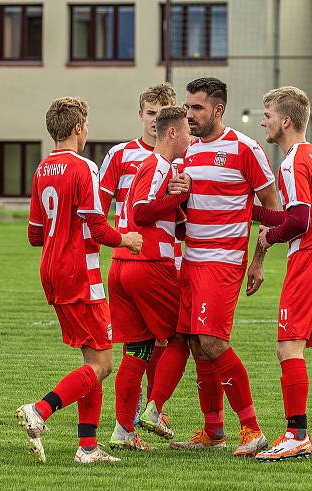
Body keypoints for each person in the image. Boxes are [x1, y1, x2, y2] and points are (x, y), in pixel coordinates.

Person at [16, 97, 143, 464]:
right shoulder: (84, 167)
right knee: (103, 365)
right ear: (77, 128)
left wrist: (65, 232)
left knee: (92, 360)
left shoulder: (42, 169)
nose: (87, 131)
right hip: (80, 274)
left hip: (52, 272)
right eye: (85, 126)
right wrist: (127, 238)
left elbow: (35, 235)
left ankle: (87, 447)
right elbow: (99, 226)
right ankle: (40, 409)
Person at [168, 77, 278, 456]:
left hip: (224, 260)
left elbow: (273, 209)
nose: (189, 114)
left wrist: (258, 260)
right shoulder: (187, 152)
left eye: (197, 107)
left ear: (218, 109)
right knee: (198, 344)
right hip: (191, 258)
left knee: (214, 342)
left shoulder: (245, 149)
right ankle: (213, 428)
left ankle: (252, 429)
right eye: (187, 107)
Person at [249, 87, 312, 461]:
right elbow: (297, 213)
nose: (263, 121)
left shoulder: (291, 162)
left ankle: (295, 434)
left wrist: (268, 236)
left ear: (285, 121)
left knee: (288, 345)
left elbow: (299, 222)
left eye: (268, 114)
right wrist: (253, 213)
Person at [108, 106, 192, 450]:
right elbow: (142, 212)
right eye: (187, 131)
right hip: (149, 263)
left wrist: (178, 205)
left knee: (137, 350)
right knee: (182, 336)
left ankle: (123, 432)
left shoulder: (153, 166)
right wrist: (180, 197)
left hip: (122, 263)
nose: (190, 137)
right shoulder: (158, 165)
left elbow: (161, 215)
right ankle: (155, 410)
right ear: (171, 133)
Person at [98, 83, 180, 426]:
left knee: (152, 342)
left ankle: (139, 416)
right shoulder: (120, 155)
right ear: (141, 114)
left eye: (161, 115)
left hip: (168, 257)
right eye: (150, 114)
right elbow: (97, 211)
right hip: (139, 260)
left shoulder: (181, 155)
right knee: (167, 337)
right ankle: (143, 411)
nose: (153, 121)